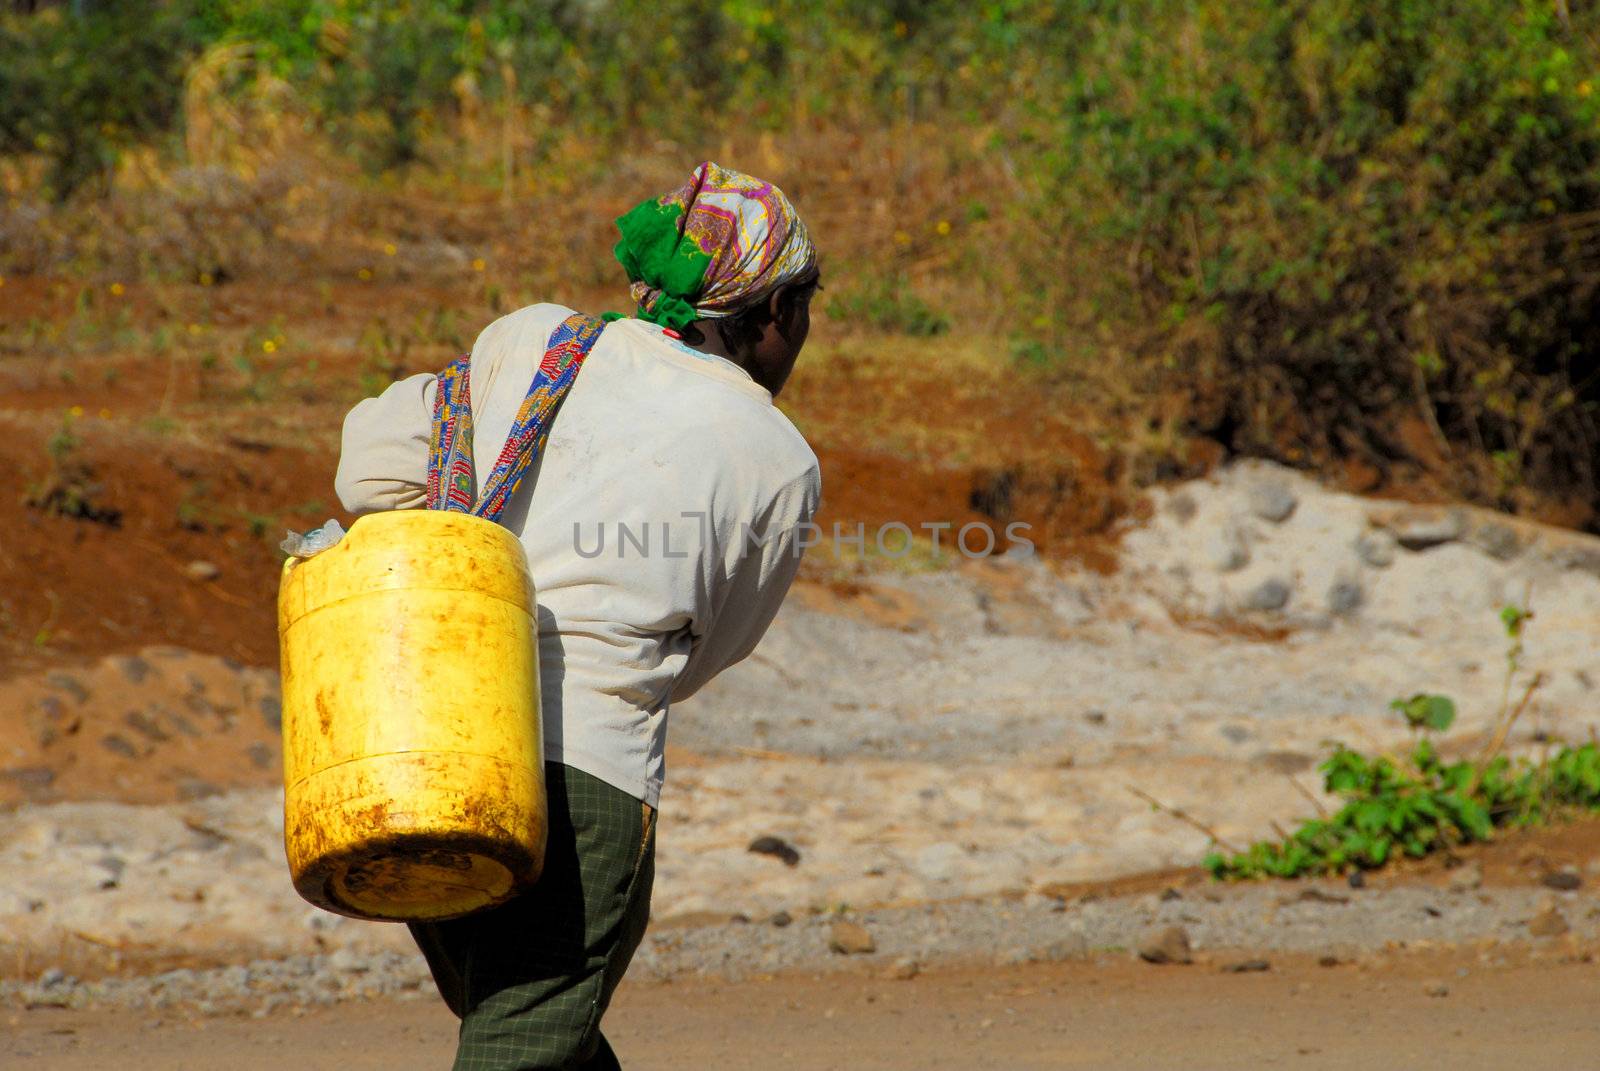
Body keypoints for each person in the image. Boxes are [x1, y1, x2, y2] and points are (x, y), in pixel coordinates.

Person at [332, 161, 821, 1070]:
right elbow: (714, 647)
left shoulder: (537, 340)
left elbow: (362, 472)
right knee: (524, 1036)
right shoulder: (777, 457)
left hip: (426, 750)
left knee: (529, 1025)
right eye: (803, 309)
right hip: (587, 777)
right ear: (772, 313)